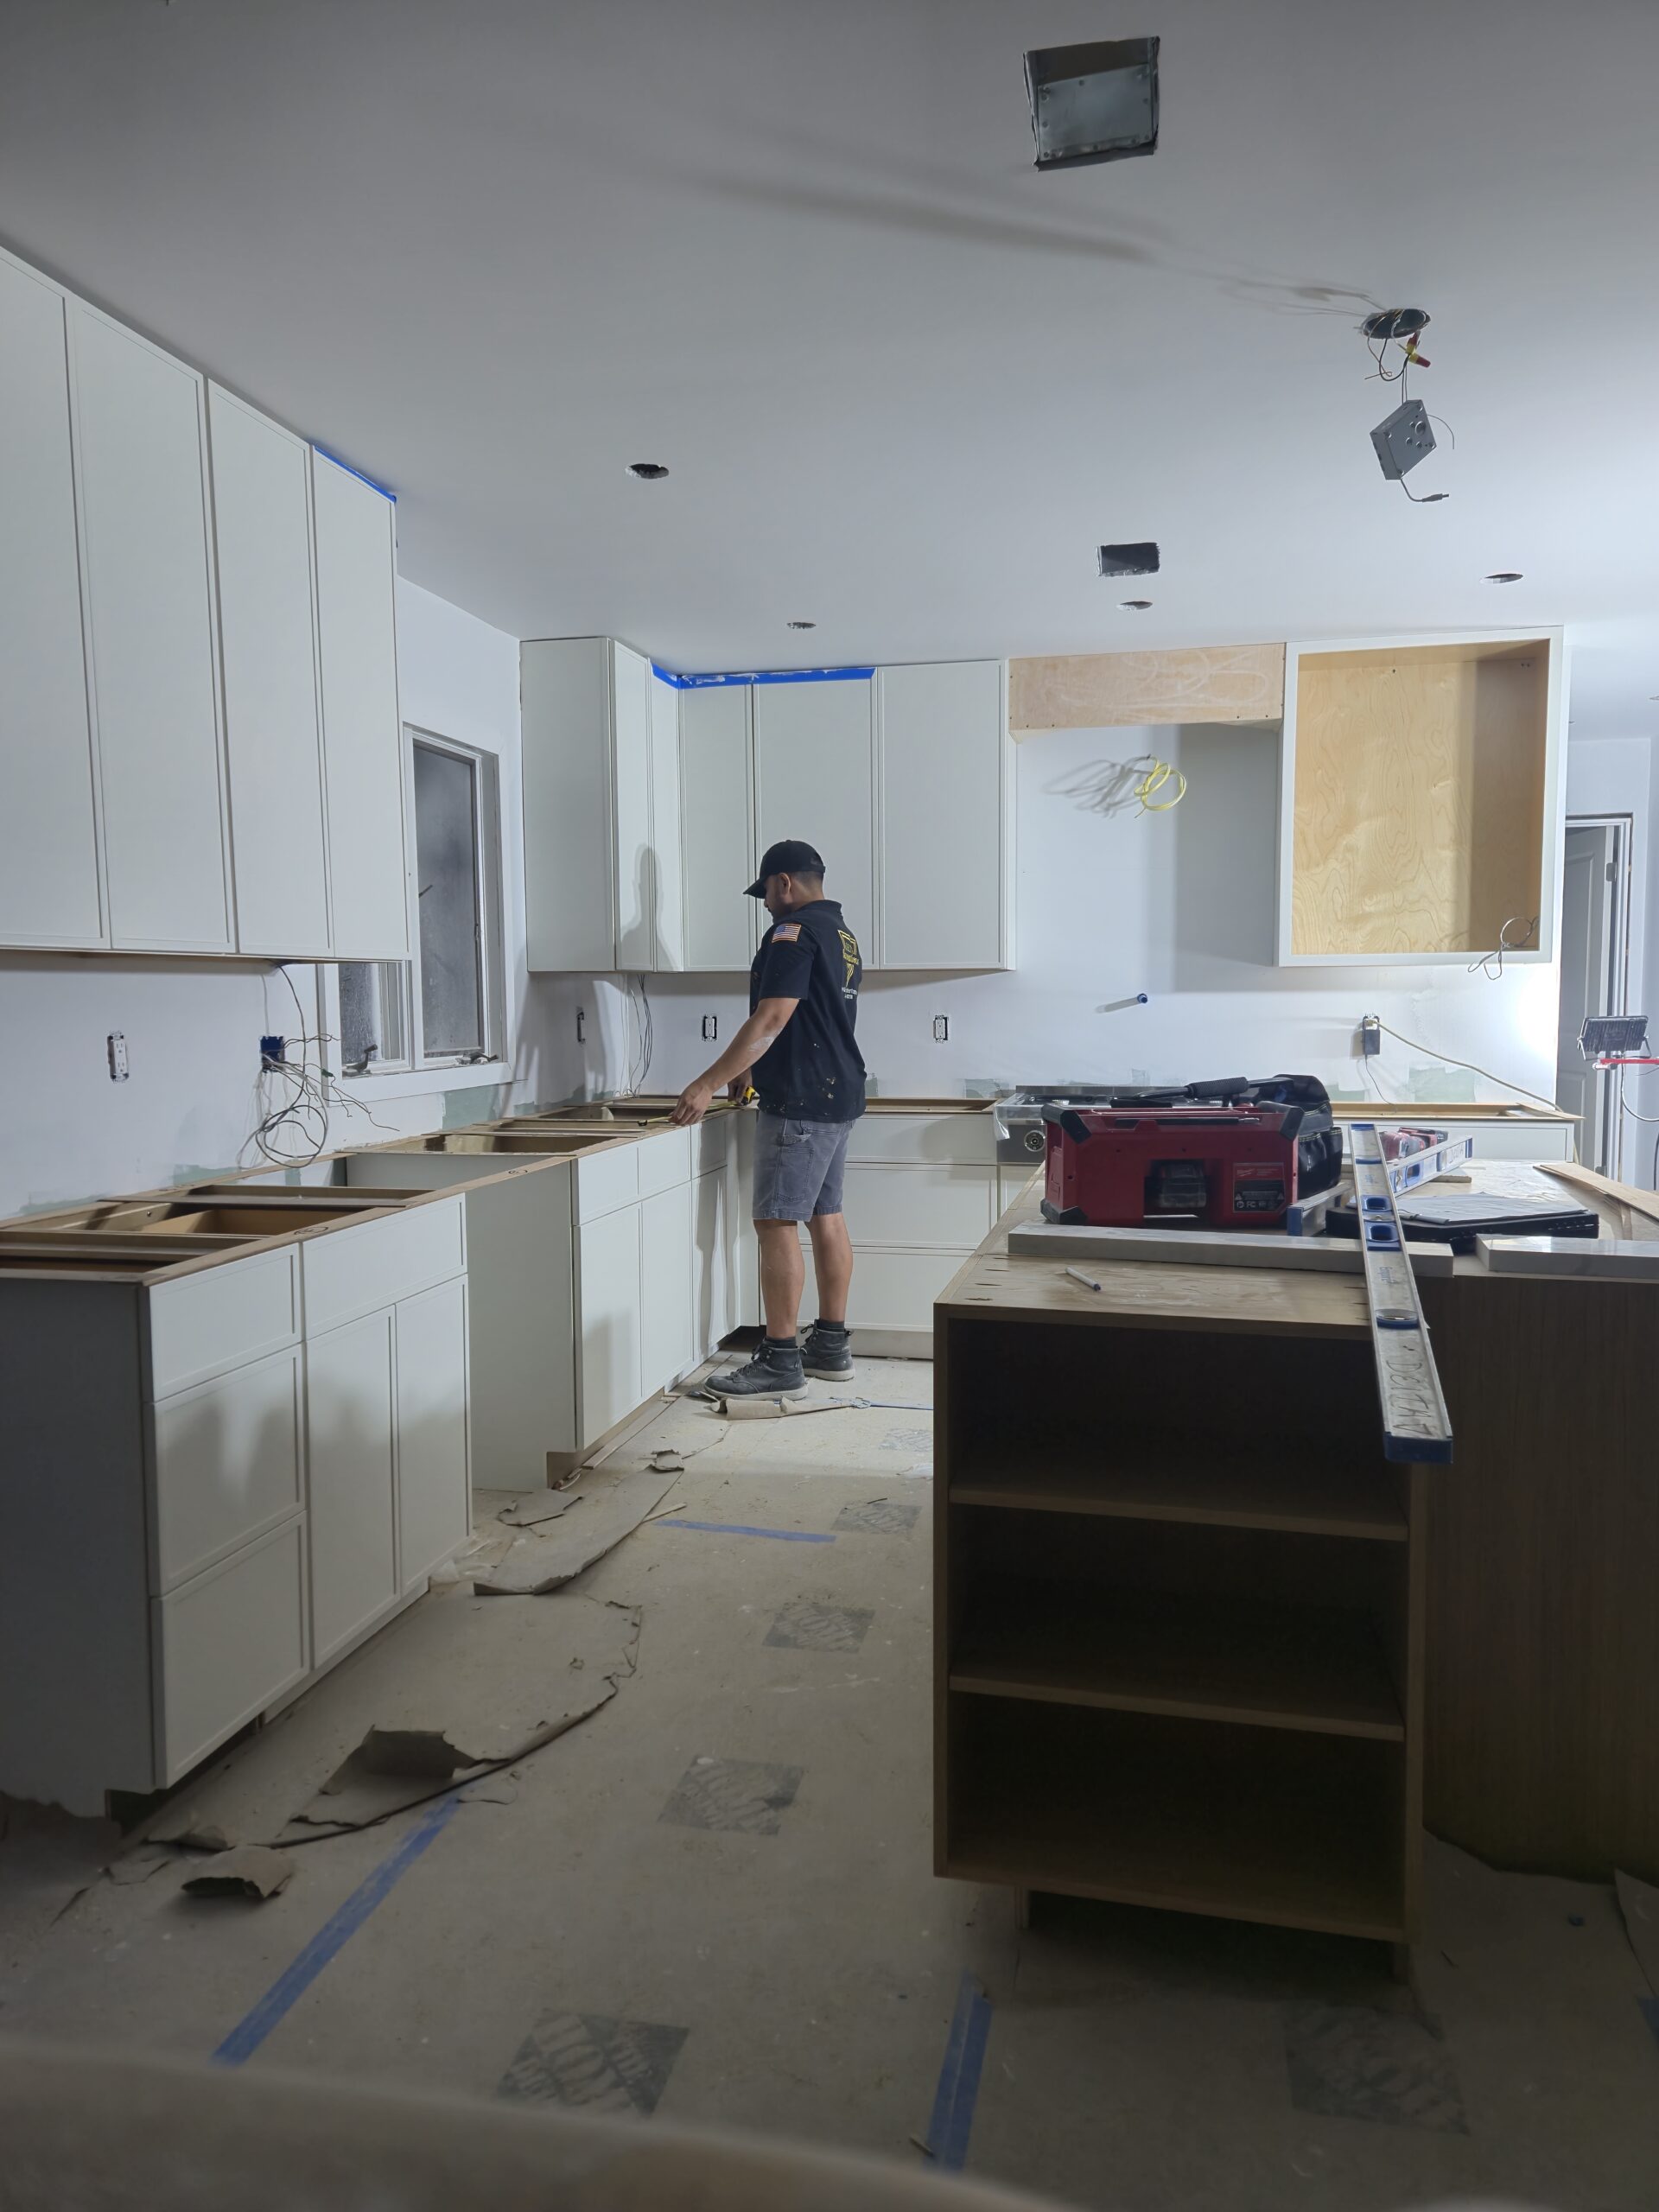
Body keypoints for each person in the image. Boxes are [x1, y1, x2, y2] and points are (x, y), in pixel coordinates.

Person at [671, 838, 865, 1396]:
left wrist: (707, 1082)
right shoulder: (841, 934)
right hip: (837, 1093)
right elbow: (810, 1017)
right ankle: (830, 1345)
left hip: (800, 1099)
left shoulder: (792, 932)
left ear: (784, 882)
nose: (765, 905)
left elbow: (773, 1016)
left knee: (776, 1222)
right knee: (826, 1215)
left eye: (766, 893)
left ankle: (781, 1360)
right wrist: (749, 1067)